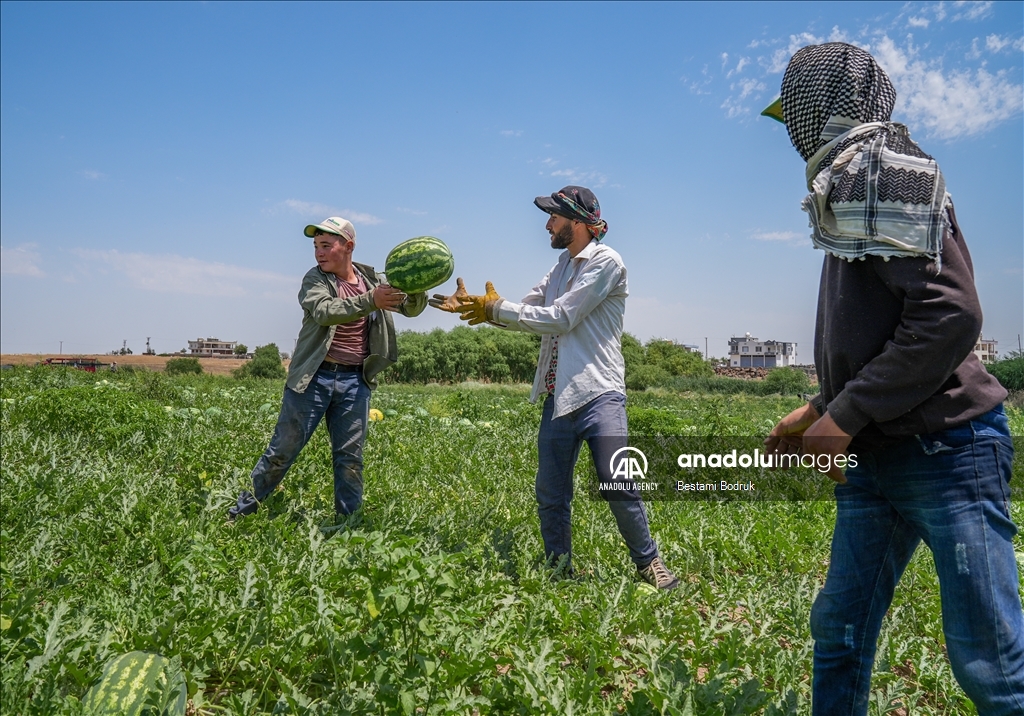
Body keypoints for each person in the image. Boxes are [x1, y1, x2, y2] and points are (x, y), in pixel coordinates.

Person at [761, 43, 1024, 715]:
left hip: (948, 450)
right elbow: (881, 329)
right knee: (839, 632)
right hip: (881, 454)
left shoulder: (879, 172)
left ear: (818, 106)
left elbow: (949, 315)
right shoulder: (850, 182)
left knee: (992, 666)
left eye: (793, 112)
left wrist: (844, 417)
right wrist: (821, 405)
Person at [429, 186, 679, 590]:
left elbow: (560, 317)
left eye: (554, 218)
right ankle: (559, 567)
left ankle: (649, 563)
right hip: (558, 394)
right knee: (550, 492)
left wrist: (498, 309)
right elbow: (526, 309)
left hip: (600, 393)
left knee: (617, 482)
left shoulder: (606, 262)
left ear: (577, 223)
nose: (547, 224)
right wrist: (479, 305)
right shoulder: (561, 267)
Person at [230, 216, 426, 520]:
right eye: (316, 246)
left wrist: (418, 288)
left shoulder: (372, 281)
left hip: (354, 382)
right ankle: (239, 515)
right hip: (314, 379)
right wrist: (371, 300)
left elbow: (409, 307)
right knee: (282, 452)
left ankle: (348, 524)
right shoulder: (315, 280)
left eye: (326, 245)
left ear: (348, 246)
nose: (319, 253)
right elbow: (324, 311)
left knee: (350, 459)